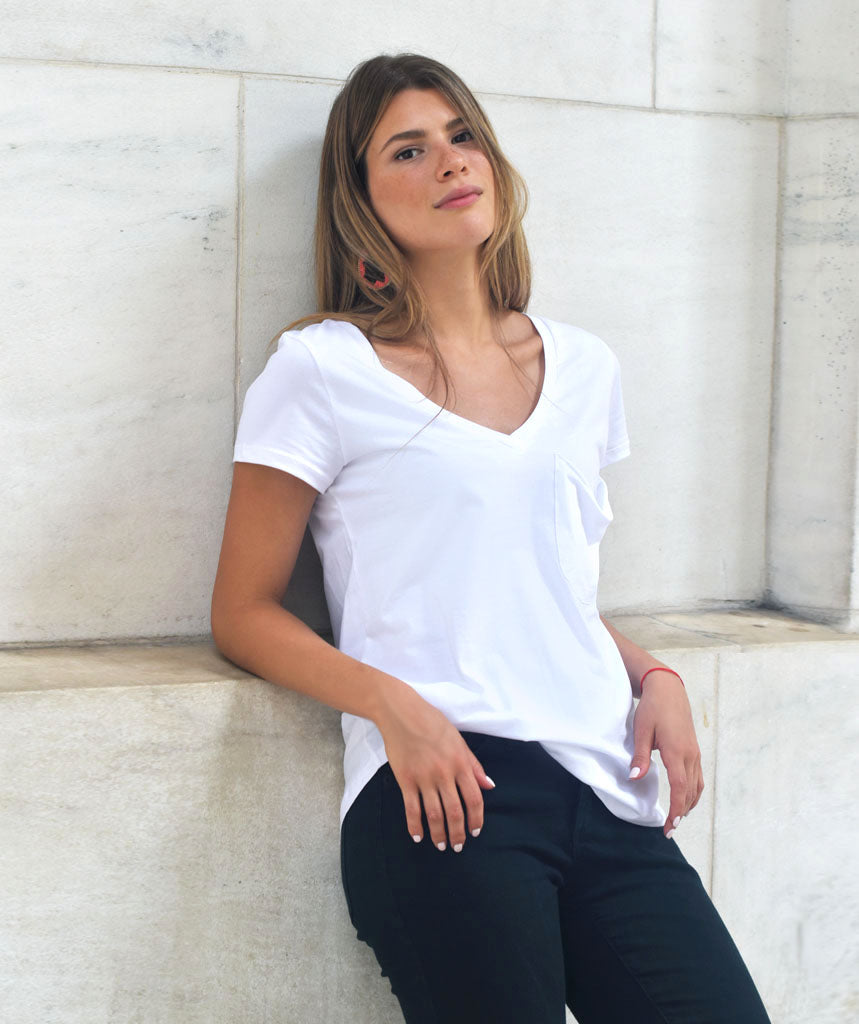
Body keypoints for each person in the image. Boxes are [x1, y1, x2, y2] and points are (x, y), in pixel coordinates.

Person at [211, 52, 772, 1024]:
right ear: (359, 202)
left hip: (605, 787)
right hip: (443, 795)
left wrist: (654, 674)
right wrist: (394, 706)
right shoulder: (322, 370)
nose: (449, 161)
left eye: (462, 135)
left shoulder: (584, 367)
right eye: (408, 149)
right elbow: (242, 612)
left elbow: (537, 589)